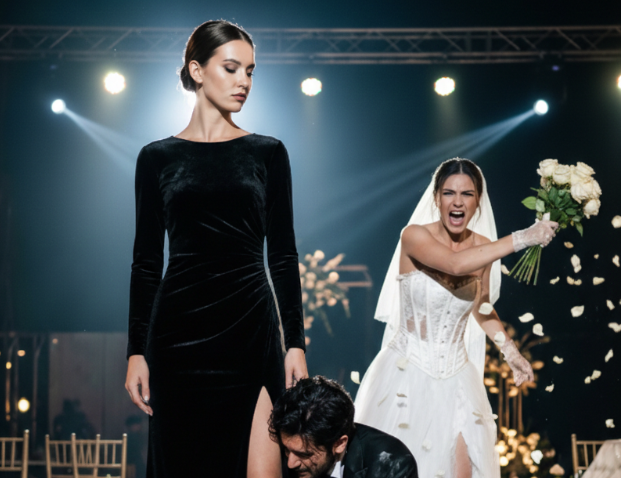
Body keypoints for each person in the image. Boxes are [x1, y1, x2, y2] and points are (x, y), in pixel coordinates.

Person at [124, 20, 307, 478]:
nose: (244, 80)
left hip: (251, 332)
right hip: (177, 338)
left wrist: (295, 344)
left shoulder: (268, 153)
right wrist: (136, 352)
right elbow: (146, 263)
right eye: (231, 68)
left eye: (250, 70)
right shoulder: (156, 158)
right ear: (197, 70)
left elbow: (283, 255)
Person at [354, 158, 558, 478]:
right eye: (449, 193)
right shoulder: (414, 236)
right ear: (437, 198)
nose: (458, 202)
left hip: (457, 380)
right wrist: (523, 238)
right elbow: (454, 264)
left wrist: (511, 352)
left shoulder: (484, 249)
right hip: (406, 373)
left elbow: (482, 306)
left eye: (467, 194)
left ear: (478, 201)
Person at [269, 376, 418, 478]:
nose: (291, 463)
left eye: (304, 454)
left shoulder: (393, 465)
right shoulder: (282, 456)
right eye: (287, 450)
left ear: (340, 444)